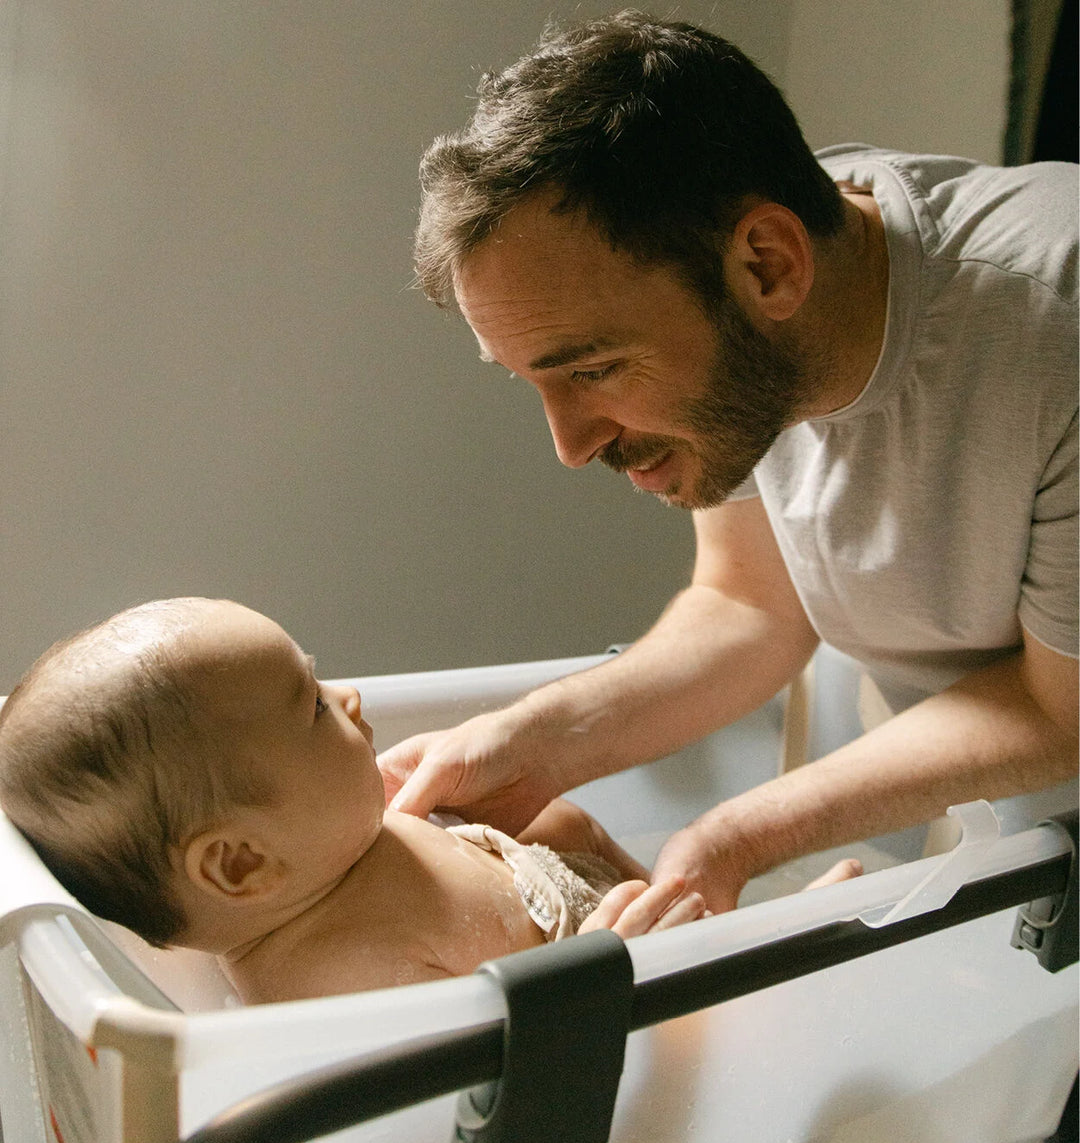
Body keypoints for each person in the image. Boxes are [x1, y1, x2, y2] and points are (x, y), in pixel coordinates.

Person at [381, 9, 1078, 917]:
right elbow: (750, 604)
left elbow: (1063, 708)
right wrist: (531, 744)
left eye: (593, 370)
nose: (571, 444)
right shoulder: (749, 273)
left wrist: (739, 834)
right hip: (980, 808)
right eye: (535, 382)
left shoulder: (1054, 326)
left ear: (769, 266)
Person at [0, 597, 755, 1004]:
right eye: (315, 708)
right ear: (240, 862)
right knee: (753, 983)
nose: (351, 697)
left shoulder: (332, 853)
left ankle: (748, 939)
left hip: (602, 912)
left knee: (562, 820)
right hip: (620, 1005)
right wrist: (623, 977)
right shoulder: (341, 981)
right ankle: (774, 960)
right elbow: (508, 1107)